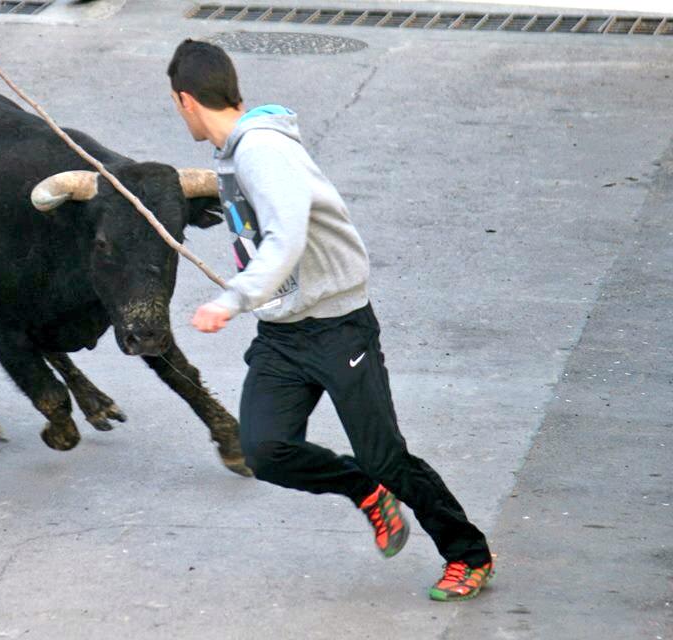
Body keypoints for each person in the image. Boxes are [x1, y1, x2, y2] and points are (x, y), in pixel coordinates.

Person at [167, 39, 494, 602]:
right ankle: (363, 491)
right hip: (283, 333)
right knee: (266, 449)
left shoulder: (261, 151)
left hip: (338, 326)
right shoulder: (235, 155)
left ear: (185, 100)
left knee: (385, 456)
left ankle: (469, 554)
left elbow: (287, 236)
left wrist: (233, 297)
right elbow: (258, 219)